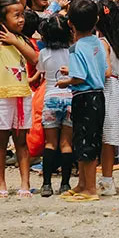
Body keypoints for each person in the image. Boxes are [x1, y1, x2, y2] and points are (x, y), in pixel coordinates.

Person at [0, 0, 39, 198]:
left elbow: (34, 58)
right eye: (16, 15)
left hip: (22, 94)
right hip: (1, 96)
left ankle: (25, 183)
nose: (21, 19)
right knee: (0, 141)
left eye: (22, 15)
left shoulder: (22, 40)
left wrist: (16, 41)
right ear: (1, 20)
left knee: (21, 141)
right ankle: (1, 183)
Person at [58, 0, 107, 201]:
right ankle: (83, 184)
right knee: (88, 140)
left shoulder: (76, 48)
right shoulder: (98, 43)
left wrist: (65, 82)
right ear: (96, 20)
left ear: (70, 23)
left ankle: (90, 188)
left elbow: (80, 77)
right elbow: (99, 69)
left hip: (84, 96)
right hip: (98, 96)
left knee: (85, 143)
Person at [32, 15, 74, 198]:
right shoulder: (72, 52)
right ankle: (65, 184)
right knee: (66, 143)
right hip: (70, 98)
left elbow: (41, 71)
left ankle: (47, 184)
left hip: (51, 98)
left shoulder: (44, 53)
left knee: (50, 143)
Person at [97, 0, 119, 197]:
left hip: (107, 89)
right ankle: (108, 178)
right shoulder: (118, 42)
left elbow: (107, 70)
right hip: (118, 88)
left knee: (105, 137)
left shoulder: (102, 43)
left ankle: (106, 180)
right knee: (110, 139)